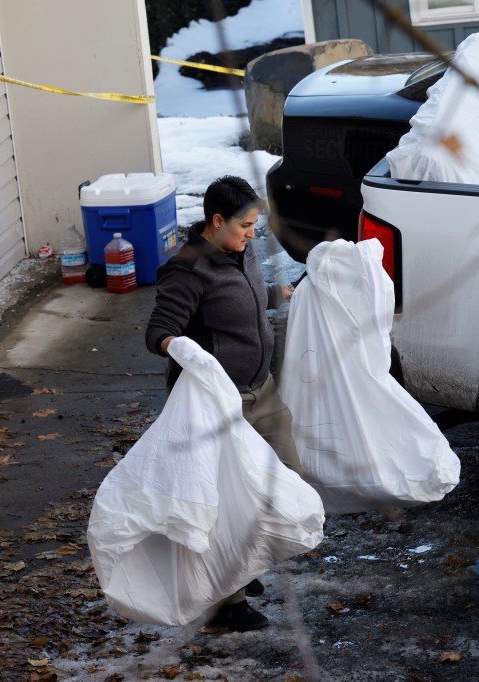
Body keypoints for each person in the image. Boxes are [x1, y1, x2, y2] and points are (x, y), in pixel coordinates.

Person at [145, 175, 301, 632]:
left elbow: (243, 297)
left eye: (255, 226)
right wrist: (182, 347)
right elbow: (157, 332)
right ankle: (224, 603)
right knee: (222, 503)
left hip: (262, 392)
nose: (252, 234)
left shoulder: (240, 250)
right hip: (218, 408)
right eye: (245, 226)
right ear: (217, 221)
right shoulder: (187, 269)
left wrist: (278, 295)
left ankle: (244, 563)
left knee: (284, 476)